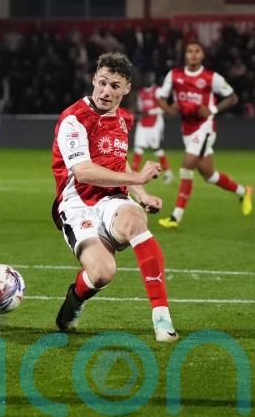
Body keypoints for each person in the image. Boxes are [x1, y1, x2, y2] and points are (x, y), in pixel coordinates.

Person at [51, 52, 178, 342]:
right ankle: (74, 301)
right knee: (102, 273)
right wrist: (137, 179)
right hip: (77, 205)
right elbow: (83, 172)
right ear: (94, 79)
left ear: (126, 89)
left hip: (111, 201)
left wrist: (142, 194)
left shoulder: (124, 119)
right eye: (103, 83)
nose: (106, 91)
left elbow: (117, 162)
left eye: (115, 85)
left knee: (136, 218)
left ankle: (162, 318)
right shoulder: (74, 119)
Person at [156, 41, 253, 229]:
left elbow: (233, 97)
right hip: (187, 129)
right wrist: (168, 108)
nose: (193, 54)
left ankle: (175, 217)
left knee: (186, 167)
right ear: (185, 54)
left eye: (197, 51)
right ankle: (244, 191)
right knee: (209, 175)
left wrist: (212, 109)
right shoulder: (174, 75)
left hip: (205, 127)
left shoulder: (211, 77)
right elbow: (161, 98)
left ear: (202, 55)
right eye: (189, 51)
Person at [131, 72, 174, 184]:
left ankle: (168, 173)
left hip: (155, 123)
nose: (147, 79)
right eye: (146, 77)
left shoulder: (158, 91)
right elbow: (141, 108)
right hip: (143, 123)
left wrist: (150, 112)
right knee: (138, 148)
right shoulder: (141, 93)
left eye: (150, 77)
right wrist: (138, 112)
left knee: (156, 148)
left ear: (153, 78)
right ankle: (132, 176)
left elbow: (163, 108)